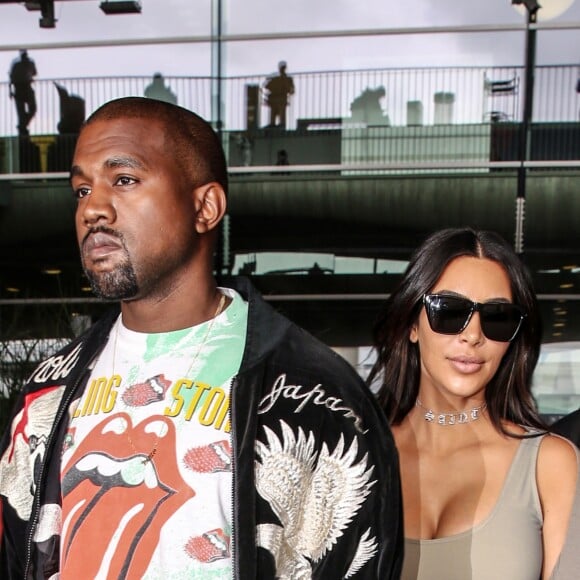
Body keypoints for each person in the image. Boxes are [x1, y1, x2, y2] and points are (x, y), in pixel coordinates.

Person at [0, 96, 403, 579]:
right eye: (81, 190)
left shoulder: (312, 395)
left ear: (205, 206)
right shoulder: (48, 390)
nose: (94, 209)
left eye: (123, 180)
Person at [366, 227, 579, 580]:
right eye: (449, 311)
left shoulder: (550, 465)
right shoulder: (358, 451)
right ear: (412, 325)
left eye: (497, 318)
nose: (473, 334)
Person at [8, 49, 37, 136]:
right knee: (22, 112)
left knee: (32, 109)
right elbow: (11, 77)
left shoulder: (28, 62)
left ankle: (22, 126)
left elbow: (34, 73)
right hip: (20, 88)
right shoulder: (16, 63)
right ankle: (22, 127)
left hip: (24, 87)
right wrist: (10, 91)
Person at [263, 60, 295, 128]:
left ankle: (279, 124)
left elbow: (292, 90)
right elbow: (266, 85)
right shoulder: (276, 77)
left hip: (280, 98)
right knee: (275, 112)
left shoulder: (286, 78)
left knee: (280, 112)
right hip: (276, 98)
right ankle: (275, 124)